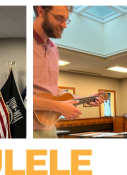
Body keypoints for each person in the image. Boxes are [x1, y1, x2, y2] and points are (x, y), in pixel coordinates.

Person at [33, 6, 104, 138]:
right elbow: (20, 98)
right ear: (40, 10)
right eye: (59, 18)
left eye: (66, 20)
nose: (64, 25)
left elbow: (54, 91)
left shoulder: (54, 49)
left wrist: (85, 99)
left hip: (50, 127)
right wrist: (58, 106)